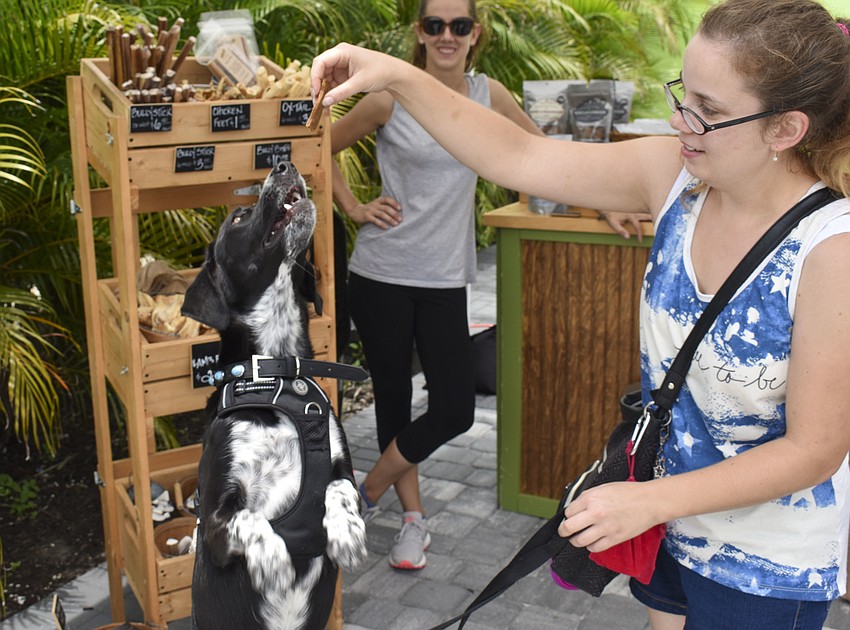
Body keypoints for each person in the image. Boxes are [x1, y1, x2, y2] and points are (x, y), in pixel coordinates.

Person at [312, 0, 850, 626]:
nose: (681, 122)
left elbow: (815, 450)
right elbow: (516, 156)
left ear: (785, 129)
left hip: (763, 562)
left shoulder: (829, 248)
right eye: (683, 94)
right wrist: (400, 76)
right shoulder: (674, 176)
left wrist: (647, 503)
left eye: (709, 110)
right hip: (668, 525)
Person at [329, 0, 544, 571]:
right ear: (419, 34)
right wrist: (354, 207)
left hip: (446, 277)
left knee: (453, 408)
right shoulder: (388, 97)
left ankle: (364, 493)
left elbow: (541, 155)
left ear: (476, 35)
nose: (447, 35)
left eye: (459, 25)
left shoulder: (487, 96)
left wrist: (603, 206)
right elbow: (314, 146)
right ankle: (412, 521)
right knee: (395, 402)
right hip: (381, 275)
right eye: (434, 25)